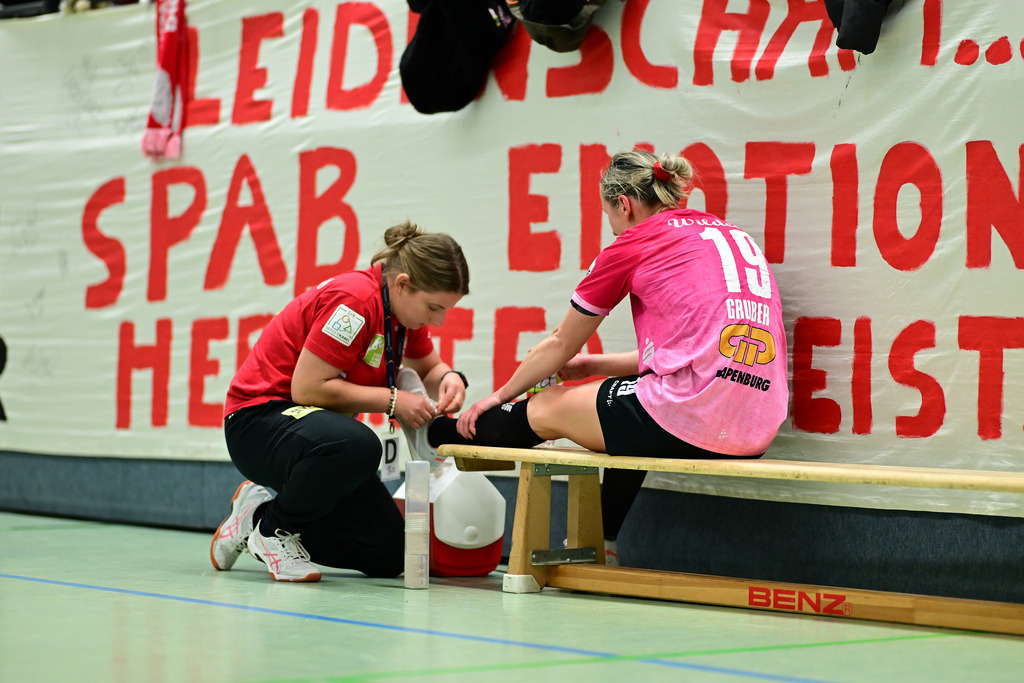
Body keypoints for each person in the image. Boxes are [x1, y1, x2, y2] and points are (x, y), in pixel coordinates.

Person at [404, 149, 789, 566]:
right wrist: (592, 366)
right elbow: (691, 352)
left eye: (609, 216)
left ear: (623, 205)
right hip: (757, 426)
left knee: (549, 406)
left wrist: (496, 397)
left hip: (691, 415)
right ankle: (604, 543)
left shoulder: (636, 242)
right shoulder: (730, 235)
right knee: (631, 408)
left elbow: (558, 343)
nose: (612, 227)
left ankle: (436, 435)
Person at [210, 221, 471, 582]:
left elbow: (430, 367)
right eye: (434, 307)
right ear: (402, 284)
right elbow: (308, 389)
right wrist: (394, 400)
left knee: (389, 554)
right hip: (257, 422)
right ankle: (273, 533)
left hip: (311, 435)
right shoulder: (354, 303)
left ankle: (254, 517)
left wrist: (450, 378)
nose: (438, 321)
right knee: (358, 444)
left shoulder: (403, 316)